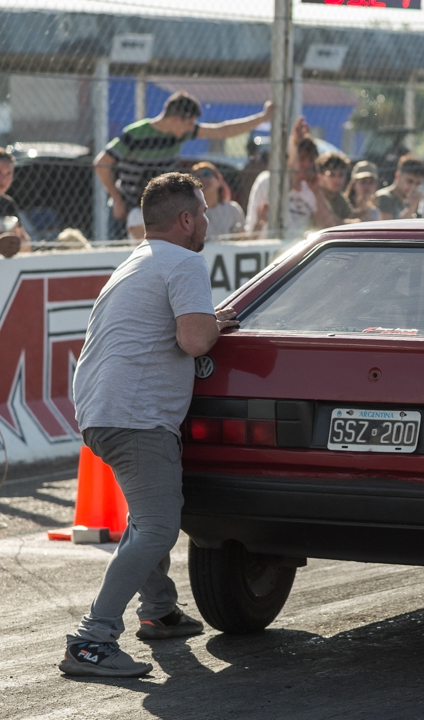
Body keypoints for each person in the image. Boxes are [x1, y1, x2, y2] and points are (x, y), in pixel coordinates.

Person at [62, 172, 238, 678]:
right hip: (136, 418)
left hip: (103, 411)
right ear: (185, 219)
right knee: (159, 526)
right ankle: (90, 641)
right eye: (203, 213)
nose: (207, 221)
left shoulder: (138, 260)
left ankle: (159, 609)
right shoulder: (185, 261)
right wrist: (214, 324)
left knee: (148, 518)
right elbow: (195, 341)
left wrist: (207, 321)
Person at [95, 92, 269, 238]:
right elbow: (102, 163)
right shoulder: (135, 134)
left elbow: (222, 131)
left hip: (162, 211)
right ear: (176, 119)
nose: (191, 128)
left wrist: (263, 118)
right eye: (189, 123)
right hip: (129, 208)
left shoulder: (180, 134)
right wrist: (118, 200)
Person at [245, 119, 321, 239]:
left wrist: (317, 192)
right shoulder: (268, 182)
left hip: (300, 248)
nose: (307, 165)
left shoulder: (311, 189)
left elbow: (327, 225)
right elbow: (250, 237)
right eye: (302, 158)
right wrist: (294, 143)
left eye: (311, 160)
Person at [190, 162, 245, 240]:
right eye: (197, 177)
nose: (202, 179)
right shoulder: (190, 213)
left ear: (219, 181)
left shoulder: (232, 209)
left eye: (207, 174)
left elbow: (242, 239)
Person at [375, 155, 424, 220]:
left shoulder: (406, 201)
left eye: (418, 183)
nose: (413, 187)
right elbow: (387, 225)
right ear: (398, 176)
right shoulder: (384, 197)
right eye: (410, 181)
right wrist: (411, 208)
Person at [312, 152, 357, 225]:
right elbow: (329, 222)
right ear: (320, 176)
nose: (337, 180)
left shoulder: (339, 198)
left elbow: (351, 216)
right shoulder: (314, 195)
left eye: (341, 175)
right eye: (332, 175)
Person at [0, 148, 29, 251]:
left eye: (8, 174)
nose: (3, 179)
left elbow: (27, 245)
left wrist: (18, 241)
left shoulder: (8, 203)